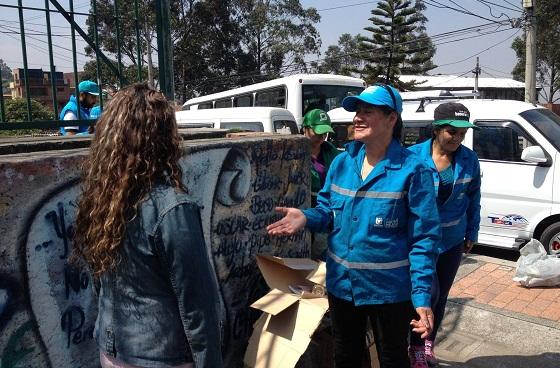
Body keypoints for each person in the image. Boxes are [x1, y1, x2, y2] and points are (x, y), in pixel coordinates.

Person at [267, 84, 440, 368]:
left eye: (367, 111)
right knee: (346, 356)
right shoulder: (342, 164)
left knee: (392, 358)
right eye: (356, 111)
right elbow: (328, 212)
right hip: (342, 286)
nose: (357, 118)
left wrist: (421, 297)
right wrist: (307, 217)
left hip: (389, 292)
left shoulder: (414, 170)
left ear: (391, 119)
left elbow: (424, 239)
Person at [72, 83, 223, 368]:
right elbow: (197, 305)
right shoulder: (172, 208)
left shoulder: (100, 198)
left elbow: (98, 279)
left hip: (112, 351)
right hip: (160, 357)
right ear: (163, 139)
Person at [408, 102, 481, 367]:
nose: (457, 138)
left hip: (451, 241)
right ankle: (415, 346)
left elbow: (474, 197)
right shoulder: (412, 157)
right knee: (426, 294)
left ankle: (427, 346)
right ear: (437, 129)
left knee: (441, 298)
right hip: (419, 241)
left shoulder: (469, 159)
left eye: (462, 133)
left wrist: (472, 230)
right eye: (452, 132)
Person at [301, 108, 341, 260]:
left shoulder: (332, 153)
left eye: (324, 132)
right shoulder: (294, 153)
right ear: (305, 129)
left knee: (322, 251)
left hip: (327, 208)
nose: (322, 137)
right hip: (304, 207)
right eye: (317, 132)